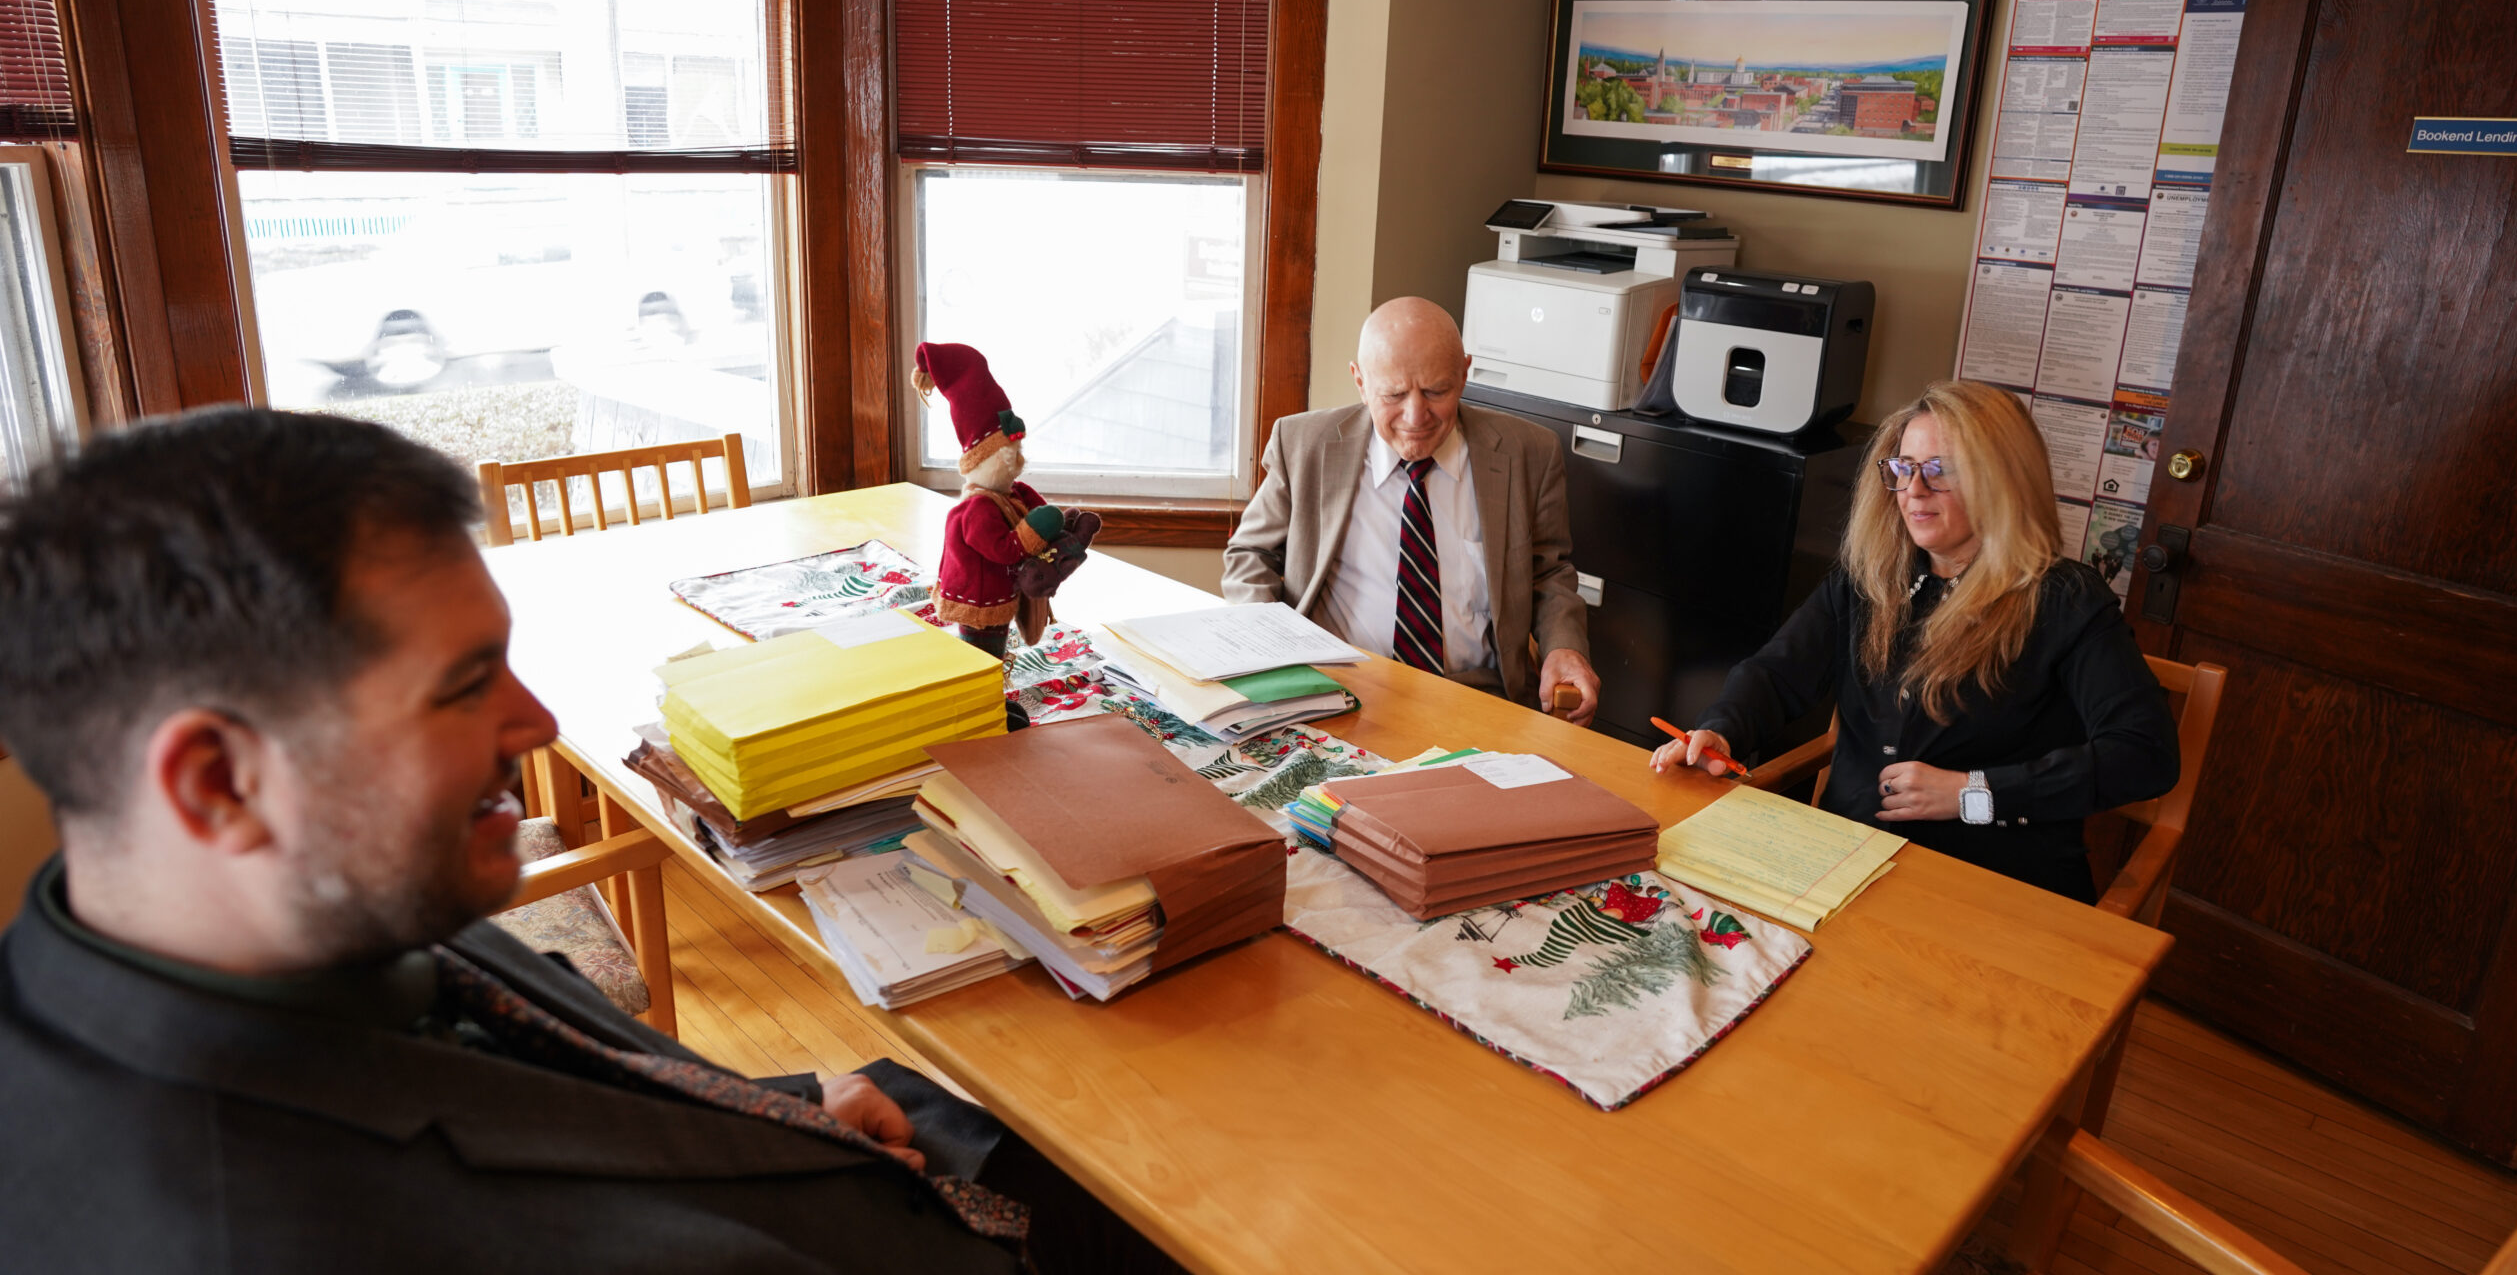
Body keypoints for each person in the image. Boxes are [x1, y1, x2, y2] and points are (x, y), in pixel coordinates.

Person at [0, 407, 1168, 1274]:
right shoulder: (247, 1228)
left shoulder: (267, 918)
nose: (538, 724)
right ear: (217, 782)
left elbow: (522, 1094)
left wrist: (779, 1100)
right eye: (464, 685)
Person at [1651, 380, 2178, 901]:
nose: (1913, 490)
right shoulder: (1869, 578)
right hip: (1841, 860)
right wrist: (1722, 731)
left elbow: (2144, 754)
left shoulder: (2064, 599)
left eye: (1940, 470)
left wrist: (1973, 793)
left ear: (2003, 480)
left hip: (1991, 884)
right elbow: (1775, 676)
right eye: (1903, 468)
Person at [1223, 296, 1600, 724]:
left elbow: (1548, 572)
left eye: (1436, 391)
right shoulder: (1304, 444)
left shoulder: (1528, 452)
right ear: (1360, 382)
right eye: (1394, 394)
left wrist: (1564, 648)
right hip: (1339, 689)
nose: (1415, 415)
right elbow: (1250, 556)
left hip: (1477, 696)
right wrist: (1268, 648)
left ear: (1464, 372)